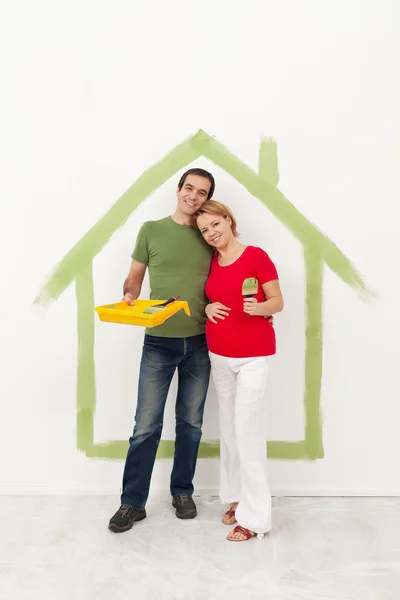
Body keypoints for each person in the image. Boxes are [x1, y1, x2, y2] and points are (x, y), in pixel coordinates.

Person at [109, 168, 215, 533]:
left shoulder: (208, 233)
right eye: (190, 188)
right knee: (146, 426)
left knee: (191, 424)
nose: (194, 196)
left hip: (201, 341)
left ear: (206, 198)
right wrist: (129, 295)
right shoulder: (151, 230)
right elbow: (134, 276)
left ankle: (182, 492)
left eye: (202, 192)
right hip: (159, 341)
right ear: (178, 190)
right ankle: (131, 503)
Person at [194, 200, 284, 542]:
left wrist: (259, 307)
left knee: (247, 432)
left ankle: (255, 518)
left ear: (229, 220)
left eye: (215, 224)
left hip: (253, 356)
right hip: (219, 354)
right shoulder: (213, 261)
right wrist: (207, 305)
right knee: (230, 431)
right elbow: (211, 295)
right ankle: (235, 498)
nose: (211, 233)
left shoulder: (256, 256)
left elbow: (278, 300)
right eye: (204, 230)